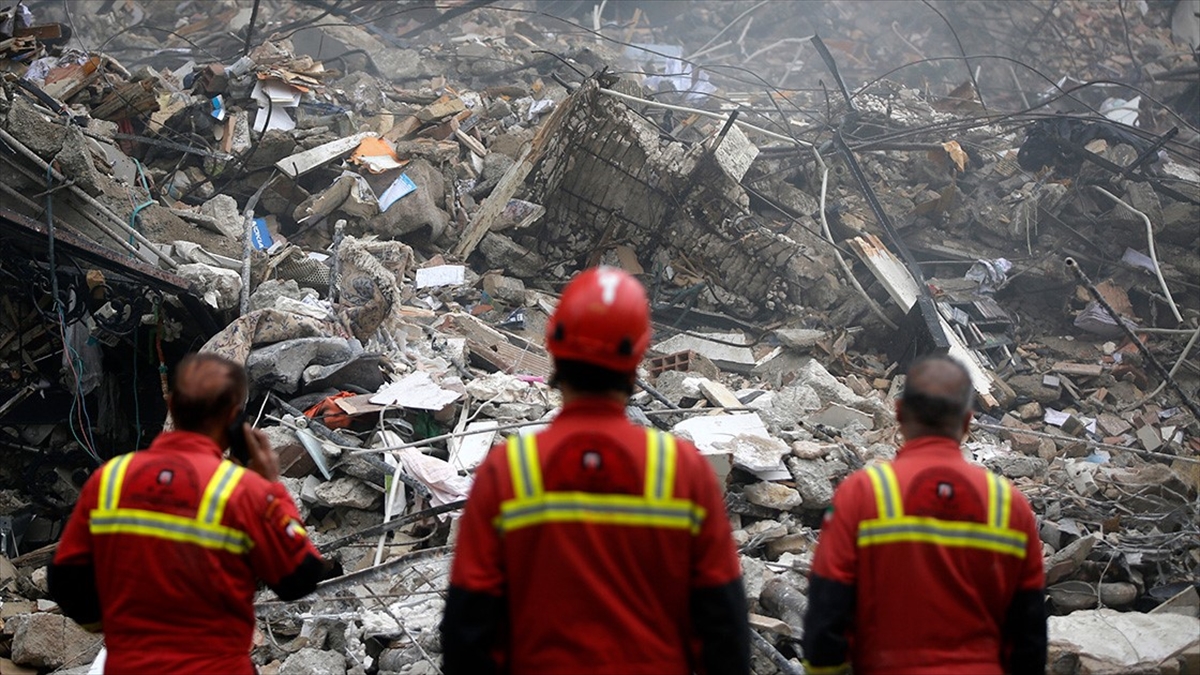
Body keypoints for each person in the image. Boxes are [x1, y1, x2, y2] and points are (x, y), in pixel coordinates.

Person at [440, 266, 750, 675]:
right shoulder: (682, 471)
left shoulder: (509, 471)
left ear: (554, 346)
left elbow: (466, 632)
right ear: (638, 357)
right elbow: (725, 630)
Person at [49, 353, 334, 675]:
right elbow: (299, 579)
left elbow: (64, 580)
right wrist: (271, 487)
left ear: (171, 405)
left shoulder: (111, 478)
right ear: (233, 418)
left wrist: (110, 627)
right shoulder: (245, 492)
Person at [802, 355, 1046, 675]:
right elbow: (1029, 630)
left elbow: (827, 605)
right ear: (967, 422)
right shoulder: (1010, 505)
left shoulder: (862, 493)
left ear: (899, 413)